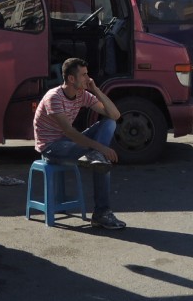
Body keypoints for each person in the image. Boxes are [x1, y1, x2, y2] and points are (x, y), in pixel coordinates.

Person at [32, 57, 126, 230]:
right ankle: (102, 213)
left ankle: (100, 212)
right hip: (52, 148)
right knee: (101, 158)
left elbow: (115, 115)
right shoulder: (54, 98)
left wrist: (96, 90)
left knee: (109, 124)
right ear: (71, 79)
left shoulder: (82, 94)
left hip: (70, 143)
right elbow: (69, 132)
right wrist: (101, 148)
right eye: (83, 75)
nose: (88, 79)